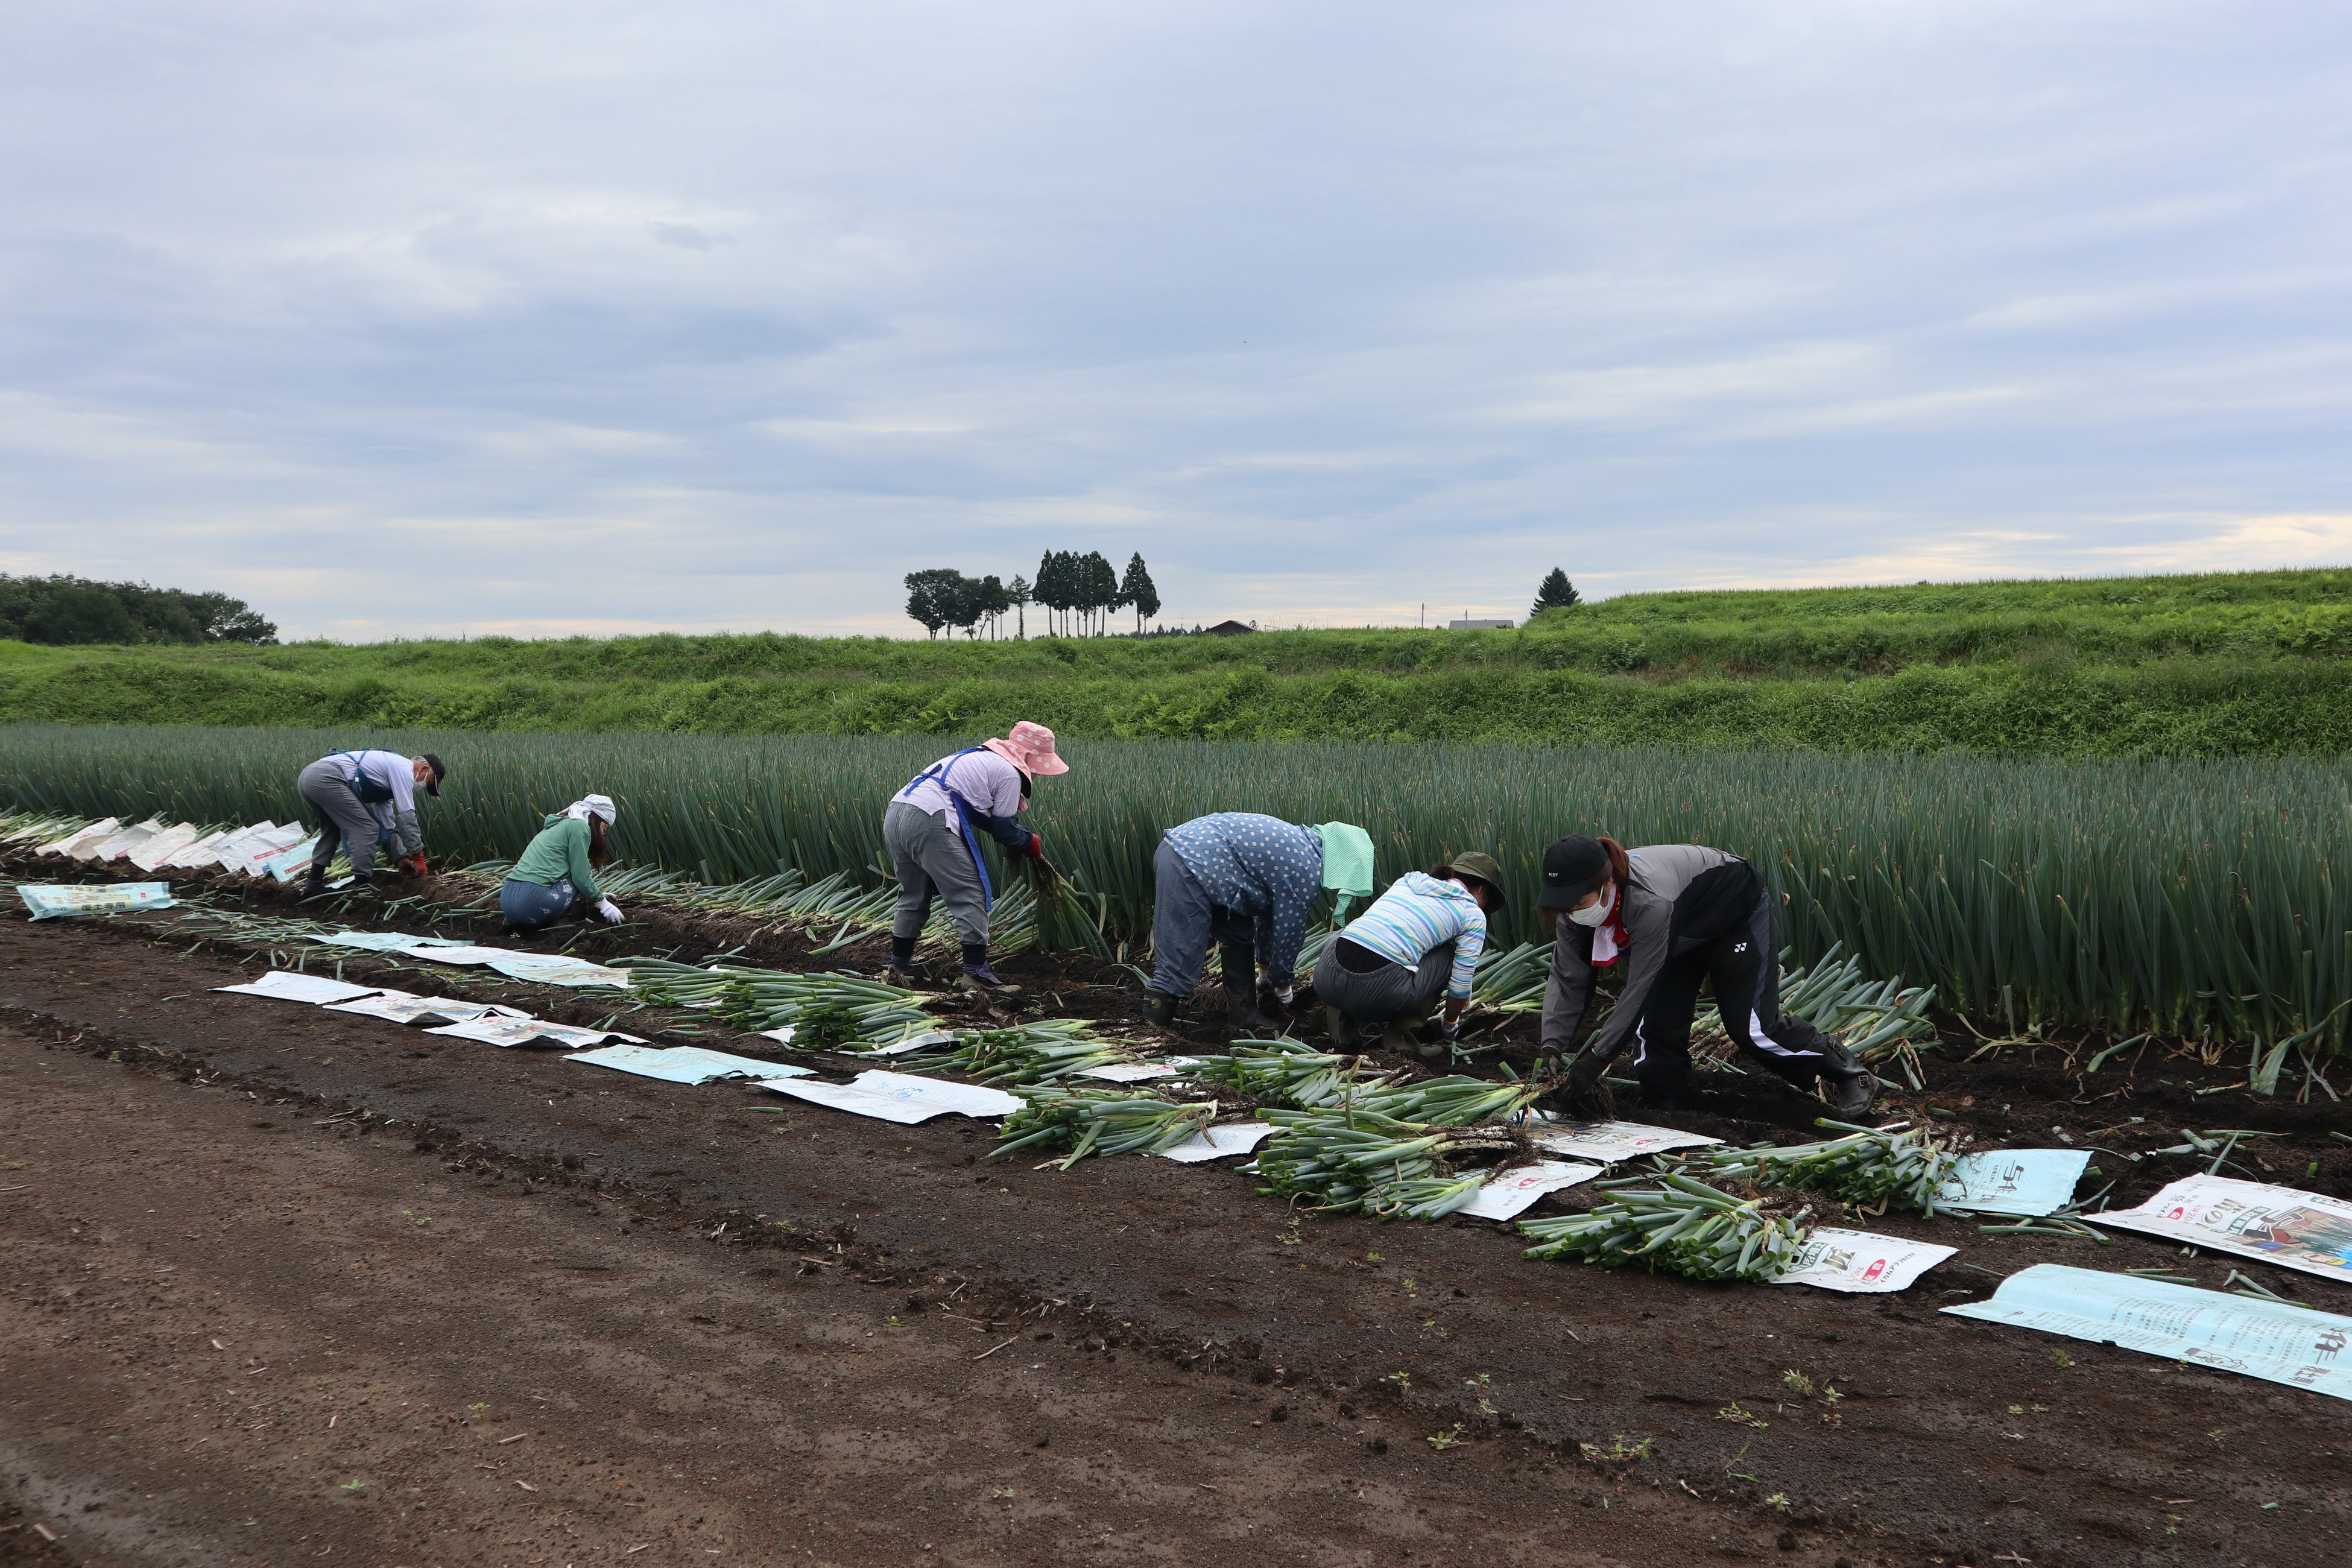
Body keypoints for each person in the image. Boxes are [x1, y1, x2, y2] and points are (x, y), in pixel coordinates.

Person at [1537, 834, 1878, 1116]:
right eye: (1563, 905)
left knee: (1752, 1028)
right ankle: (1663, 1108)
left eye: (1577, 903)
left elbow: (1638, 989)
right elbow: (1568, 978)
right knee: (1657, 1027)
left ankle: (1849, 1073)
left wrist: (1594, 1063)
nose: (1569, 912)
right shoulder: (1573, 914)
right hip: (1680, 932)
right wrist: (1550, 1047)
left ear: (1607, 883)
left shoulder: (1650, 901)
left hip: (1731, 917)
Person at [1142, 815, 1374, 1031]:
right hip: (1188, 859)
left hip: (1202, 860)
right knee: (1179, 959)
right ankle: (1154, 1032)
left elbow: (1269, 920)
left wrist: (1265, 972)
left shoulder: (1301, 847)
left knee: (1239, 934)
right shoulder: (1305, 867)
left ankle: (1244, 1016)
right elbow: (1288, 931)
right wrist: (1283, 982)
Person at [883, 721, 1065, 991]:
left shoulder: (979, 758)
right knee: (972, 893)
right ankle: (976, 975)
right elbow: (1003, 830)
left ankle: (898, 966)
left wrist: (1020, 837)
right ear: (1028, 759)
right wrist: (1030, 842)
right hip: (930, 818)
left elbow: (979, 813)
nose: (1036, 774)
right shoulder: (1010, 773)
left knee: (914, 893)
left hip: (898, 812)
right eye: (1038, 767)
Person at [1313, 852, 1504, 1058]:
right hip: (1375, 995)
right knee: (1449, 955)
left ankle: (1342, 1036)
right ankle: (1402, 1042)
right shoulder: (1471, 912)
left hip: (1325, 979)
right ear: (1482, 889)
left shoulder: (1409, 880)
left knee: (1354, 934)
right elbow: (1460, 987)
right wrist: (1449, 1026)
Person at [296, 748, 444, 896]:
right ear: (423, 769)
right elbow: (407, 816)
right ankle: (362, 888)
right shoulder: (404, 768)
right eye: (428, 783)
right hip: (327, 777)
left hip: (309, 776)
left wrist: (401, 859)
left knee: (332, 830)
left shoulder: (387, 778)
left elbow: (387, 825)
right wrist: (418, 857)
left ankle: (313, 883)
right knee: (366, 828)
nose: (422, 786)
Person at [502, 795, 624, 933]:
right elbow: (581, 877)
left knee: (575, 882)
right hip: (534, 903)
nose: (603, 832)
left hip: (507, 901)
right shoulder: (580, 826)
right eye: (605, 827)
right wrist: (602, 903)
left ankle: (516, 921)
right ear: (596, 818)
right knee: (577, 880)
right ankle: (561, 922)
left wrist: (595, 895)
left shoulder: (557, 824)